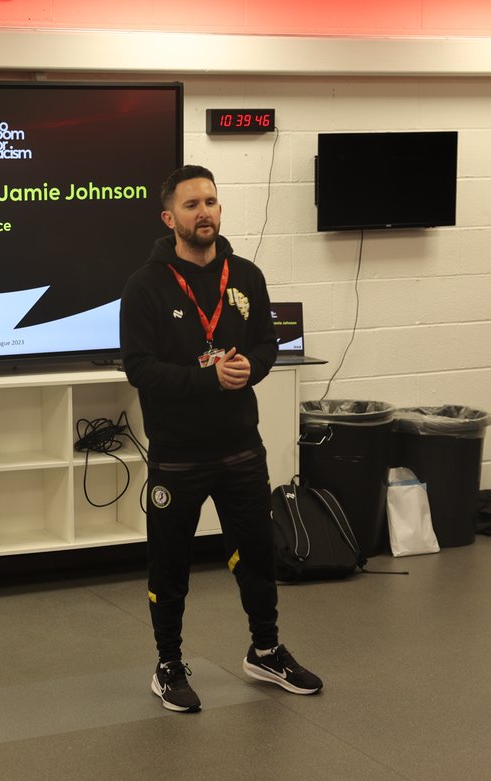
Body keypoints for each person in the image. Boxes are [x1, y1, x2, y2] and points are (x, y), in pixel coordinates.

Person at [120, 165, 322, 712]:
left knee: (257, 552)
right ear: (170, 218)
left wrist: (248, 370)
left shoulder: (247, 276)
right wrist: (206, 377)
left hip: (240, 449)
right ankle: (168, 664)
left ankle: (265, 650)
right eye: (191, 205)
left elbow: (266, 346)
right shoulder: (145, 285)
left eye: (211, 201)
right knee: (170, 563)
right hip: (178, 456)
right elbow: (139, 367)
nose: (204, 212)